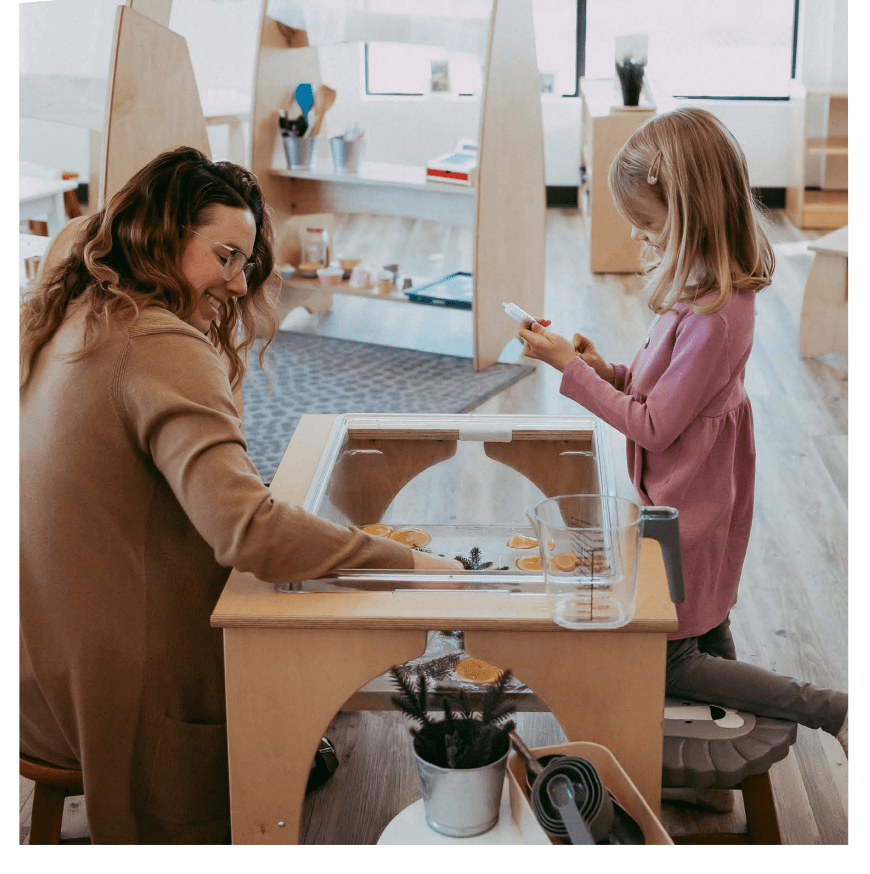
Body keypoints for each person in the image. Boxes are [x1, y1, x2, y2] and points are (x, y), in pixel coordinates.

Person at [19, 147, 461, 844]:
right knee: (309, 620)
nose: (235, 281)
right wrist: (403, 564)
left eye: (244, 264)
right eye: (225, 256)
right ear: (163, 237)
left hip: (41, 675)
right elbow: (246, 531)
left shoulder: (80, 309)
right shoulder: (158, 344)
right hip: (122, 693)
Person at [518, 109, 847, 792]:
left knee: (672, 656)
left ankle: (832, 710)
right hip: (685, 488)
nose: (638, 233)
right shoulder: (700, 291)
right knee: (703, 615)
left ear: (690, 212)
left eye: (648, 221)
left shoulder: (716, 313)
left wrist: (568, 374)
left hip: (688, 497)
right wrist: (602, 366)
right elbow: (654, 393)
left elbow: (654, 427)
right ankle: (732, 705)